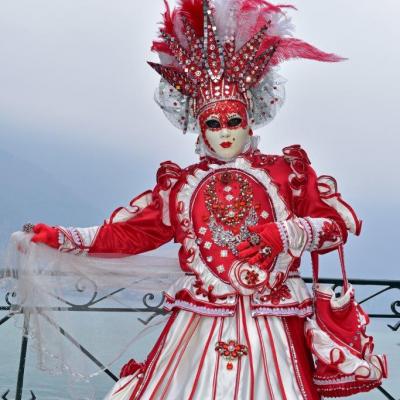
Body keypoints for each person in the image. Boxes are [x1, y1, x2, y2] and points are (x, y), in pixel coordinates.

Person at [27, 1, 383, 398]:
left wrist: (288, 232)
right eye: (213, 123)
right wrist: (61, 237)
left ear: (250, 120)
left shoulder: (286, 173)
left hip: (276, 324)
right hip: (200, 320)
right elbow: (132, 234)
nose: (225, 132)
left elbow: (334, 230)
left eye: (234, 121)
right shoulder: (182, 186)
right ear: (199, 127)